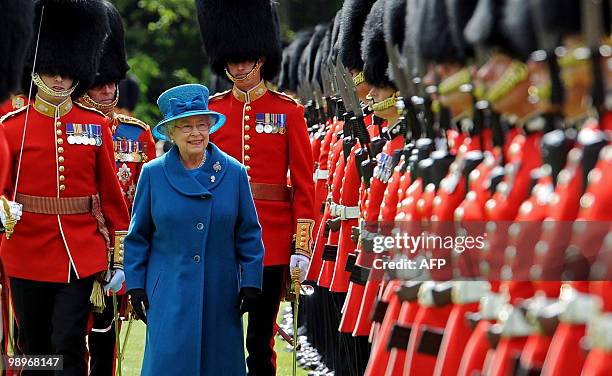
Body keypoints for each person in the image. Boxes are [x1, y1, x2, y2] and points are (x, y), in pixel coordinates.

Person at [0, 1, 130, 375]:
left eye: (66, 73)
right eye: (51, 71)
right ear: (36, 70)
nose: (59, 80)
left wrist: (117, 256)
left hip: (80, 252)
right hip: (25, 249)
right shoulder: (12, 127)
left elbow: (111, 197)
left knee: (69, 339)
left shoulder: (93, 124)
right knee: (33, 346)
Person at [197, 0, 316, 374]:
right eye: (231, 60)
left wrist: (301, 243)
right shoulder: (212, 112)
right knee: (220, 331)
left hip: (272, 239)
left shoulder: (288, 111)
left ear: (261, 57)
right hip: (220, 236)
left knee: (261, 340)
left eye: (244, 58)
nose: (237, 66)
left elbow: (303, 183)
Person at [124, 83, 265, 376]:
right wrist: (136, 284)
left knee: (219, 364)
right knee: (169, 364)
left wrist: (251, 281)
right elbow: (137, 237)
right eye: (186, 126)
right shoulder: (153, 174)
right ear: (171, 133)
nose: (195, 133)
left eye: (202, 124)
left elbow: (249, 233)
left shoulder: (234, 172)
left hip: (220, 291)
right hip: (168, 292)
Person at [77, 2, 157, 375]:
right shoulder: (73, 128)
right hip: (75, 244)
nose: (109, 90)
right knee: (64, 336)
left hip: (116, 250)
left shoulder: (137, 134)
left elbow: (146, 196)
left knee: (107, 335)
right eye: (99, 82)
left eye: (112, 82)